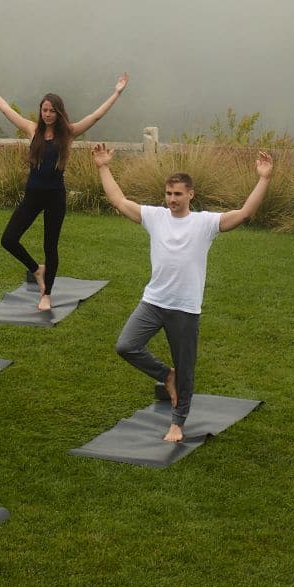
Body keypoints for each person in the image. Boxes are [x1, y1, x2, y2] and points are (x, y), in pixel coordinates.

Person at [92, 142, 273, 444]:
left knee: (186, 369)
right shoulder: (155, 217)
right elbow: (119, 201)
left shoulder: (205, 223)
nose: (172, 199)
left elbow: (244, 213)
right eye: (168, 194)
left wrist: (264, 178)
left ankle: (177, 422)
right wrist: (103, 167)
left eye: (177, 194)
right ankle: (166, 375)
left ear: (191, 195)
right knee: (126, 346)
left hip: (185, 308)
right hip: (153, 302)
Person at [0, 67, 128, 312]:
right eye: (44, 110)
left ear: (59, 113)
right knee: (8, 239)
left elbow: (96, 116)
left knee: (50, 246)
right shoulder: (32, 130)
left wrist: (117, 93)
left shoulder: (69, 133)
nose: (47, 114)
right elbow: (5, 110)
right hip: (32, 195)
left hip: (55, 196)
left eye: (51, 111)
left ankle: (46, 294)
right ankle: (37, 270)